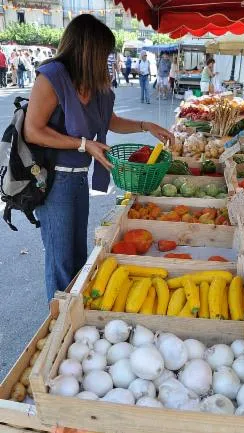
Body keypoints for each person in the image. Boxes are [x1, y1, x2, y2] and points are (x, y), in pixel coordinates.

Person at [23, 14, 173, 301]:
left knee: (79, 255)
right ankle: (60, 323)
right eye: (104, 52)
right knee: (61, 262)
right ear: (87, 49)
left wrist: (145, 126)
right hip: (53, 182)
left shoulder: (92, 84)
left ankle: (74, 312)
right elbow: (33, 131)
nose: (107, 58)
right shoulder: (52, 77)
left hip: (78, 181)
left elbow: (109, 120)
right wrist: (83, 144)